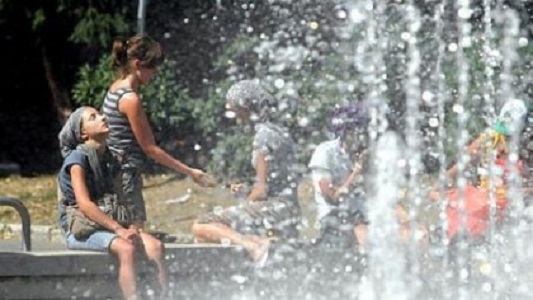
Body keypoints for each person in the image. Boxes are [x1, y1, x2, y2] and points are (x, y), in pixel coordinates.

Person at [102, 34, 215, 231]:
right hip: (126, 173)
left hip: (114, 169)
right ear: (138, 64)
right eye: (152, 68)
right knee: (135, 232)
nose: (155, 73)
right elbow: (150, 149)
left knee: (124, 234)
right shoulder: (130, 99)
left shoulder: (115, 87)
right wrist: (190, 172)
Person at [57, 107, 167, 300]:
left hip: (110, 225)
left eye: (100, 113)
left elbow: (122, 197)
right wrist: (118, 230)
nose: (102, 117)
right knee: (126, 249)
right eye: (94, 117)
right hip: (83, 230)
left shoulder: (112, 158)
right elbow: (85, 204)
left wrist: (133, 226)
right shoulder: (77, 160)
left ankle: (165, 296)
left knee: (155, 246)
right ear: (83, 133)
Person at [192, 80, 301, 264]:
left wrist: (246, 201)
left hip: (275, 210)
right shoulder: (281, 132)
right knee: (210, 236)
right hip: (290, 208)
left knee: (202, 226)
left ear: (246, 108)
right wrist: (246, 191)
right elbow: (276, 181)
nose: (235, 117)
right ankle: (256, 246)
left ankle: (255, 246)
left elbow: (261, 191)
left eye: (235, 110)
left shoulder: (262, 137)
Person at [308, 102, 411, 249]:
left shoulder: (362, 154)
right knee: (367, 235)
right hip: (336, 218)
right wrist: (357, 171)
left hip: (363, 216)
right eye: (361, 130)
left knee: (411, 234)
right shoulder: (325, 153)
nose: (365, 134)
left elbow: (376, 195)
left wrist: (407, 219)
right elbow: (333, 198)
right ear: (347, 130)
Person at [428, 98, 529, 242]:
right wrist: (438, 185)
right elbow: (462, 163)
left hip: (499, 200)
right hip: (486, 196)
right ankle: (450, 237)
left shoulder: (524, 148)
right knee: (463, 205)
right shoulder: (488, 139)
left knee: (472, 209)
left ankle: (459, 239)